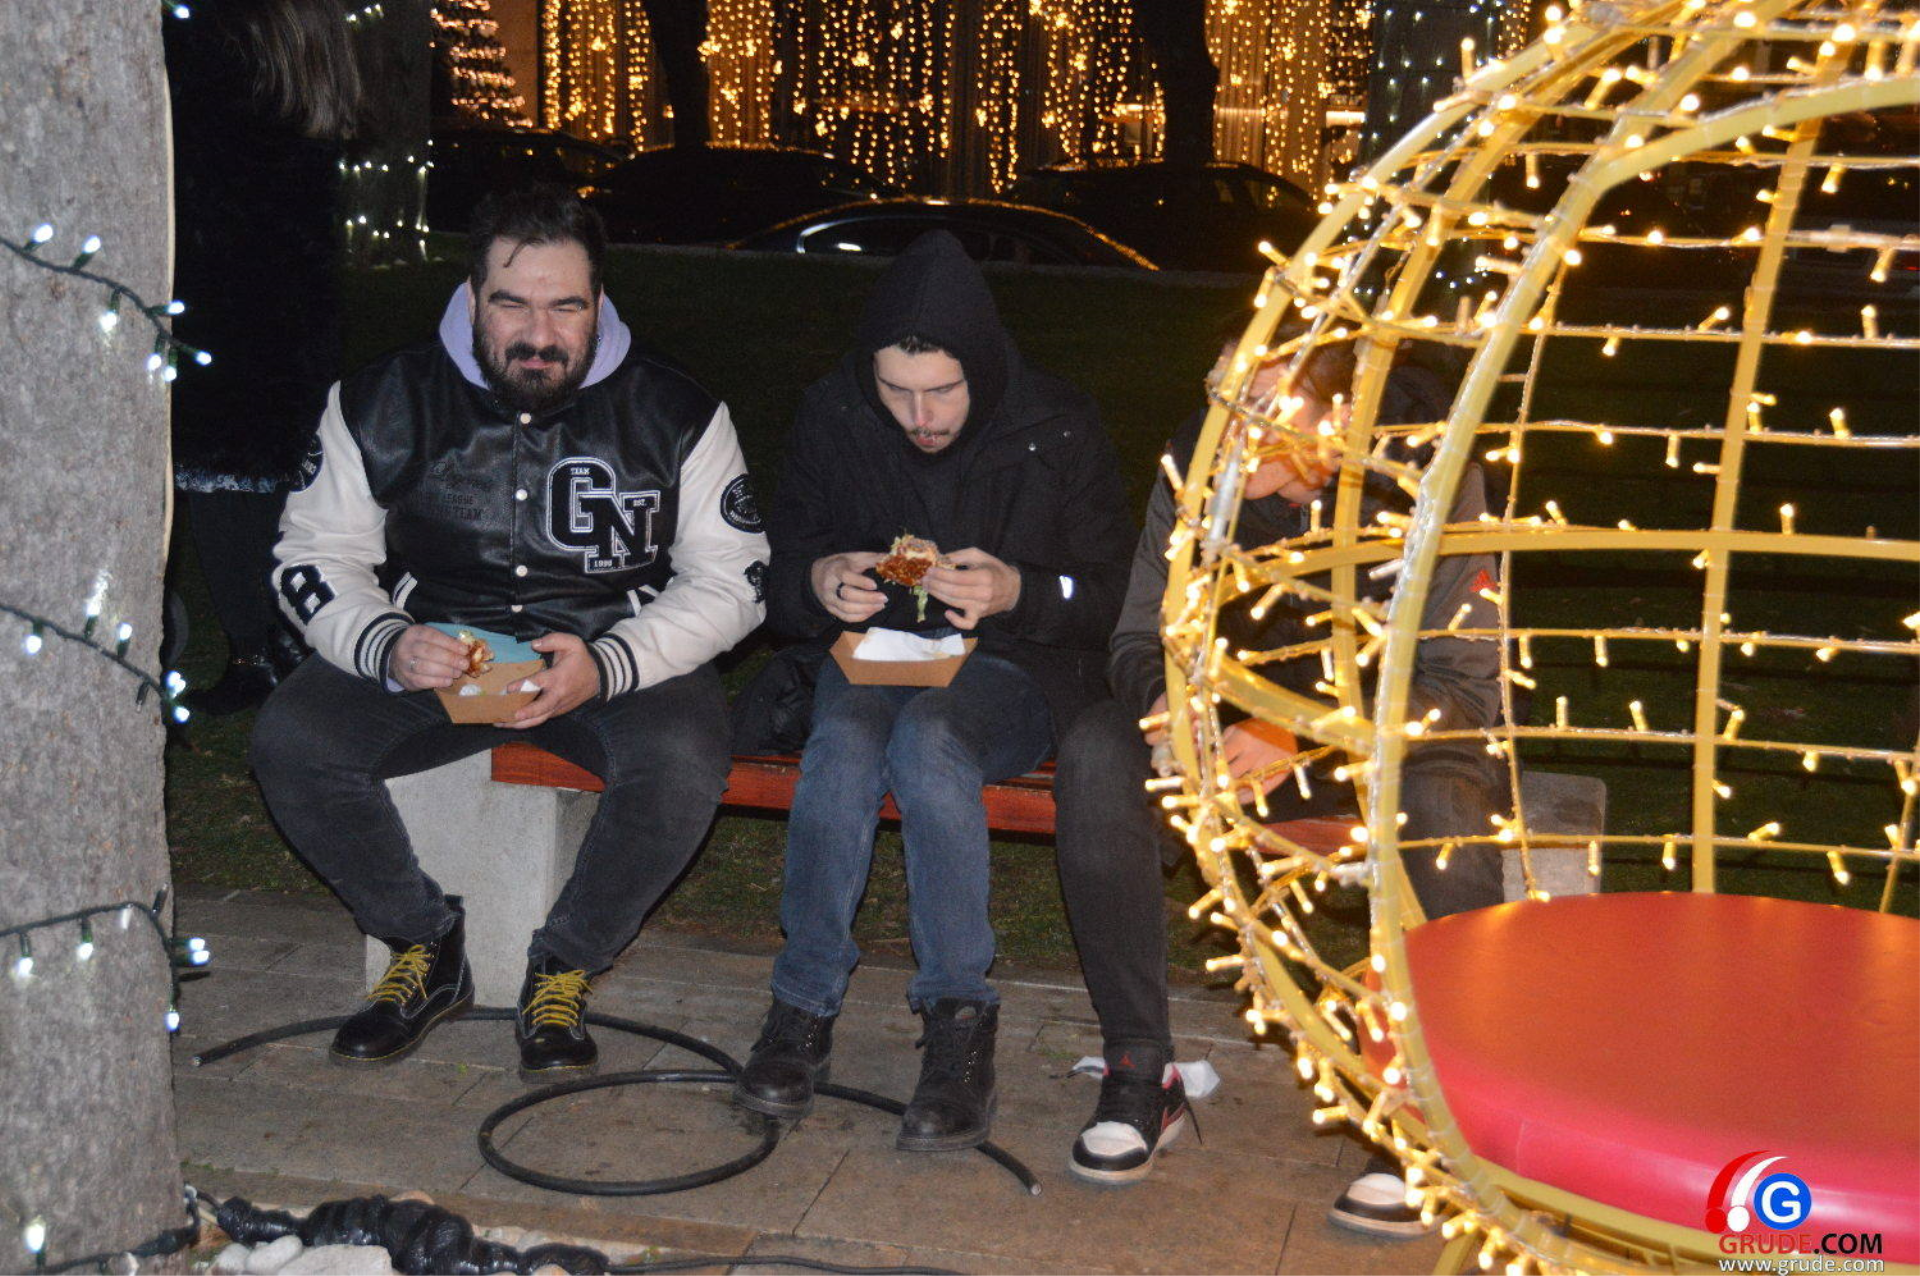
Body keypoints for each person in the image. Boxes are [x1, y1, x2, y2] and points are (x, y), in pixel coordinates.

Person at [250, 188, 768, 1078]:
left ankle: (564, 964)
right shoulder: (380, 398)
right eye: (511, 303)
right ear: (471, 295)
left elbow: (736, 579)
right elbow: (313, 552)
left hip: (607, 650)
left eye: (565, 306)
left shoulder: (677, 409)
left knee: (682, 761)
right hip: (439, 652)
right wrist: (385, 641)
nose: (539, 333)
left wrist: (613, 663)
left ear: (598, 302)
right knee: (293, 740)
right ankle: (424, 944)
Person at [1051, 329, 1505, 1194]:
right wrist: (1171, 707)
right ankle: (1140, 1068)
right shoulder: (1193, 468)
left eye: (1261, 408)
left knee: (1447, 807)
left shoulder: (1429, 477)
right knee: (1099, 752)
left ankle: (1432, 1113)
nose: (1230, 431)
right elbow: (1142, 633)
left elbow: (1462, 685)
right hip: (1230, 739)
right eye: (1221, 399)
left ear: (1340, 417)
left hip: (1381, 742)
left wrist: (1306, 729)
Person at [733, 231, 1134, 1152]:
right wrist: (819, 580)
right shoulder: (836, 412)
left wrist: (1021, 589)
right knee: (843, 739)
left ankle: (958, 1020)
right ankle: (801, 1007)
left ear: (981, 369)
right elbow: (780, 566)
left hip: (1012, 667)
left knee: (932, 741)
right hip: (876, 654)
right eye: (897, 391)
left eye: (942, 391)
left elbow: (1117, 595)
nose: (919, 415)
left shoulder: (1057, 423)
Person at [165, 0, 363, 714]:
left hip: (226, 301)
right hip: (289, 304)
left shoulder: (219, 47)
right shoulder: (303, 53)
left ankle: (259, 650)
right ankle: (284, 643)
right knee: (274, 490)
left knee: (225, 486)